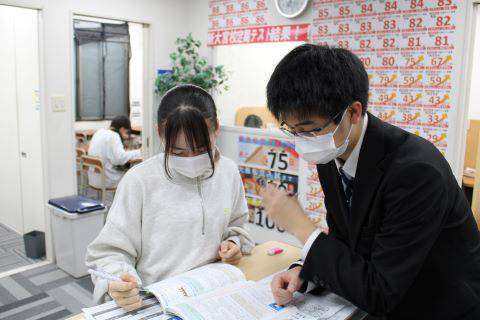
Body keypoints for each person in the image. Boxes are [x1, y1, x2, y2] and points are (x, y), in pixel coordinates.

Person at [261, 44, 480, 320]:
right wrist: (303, 272)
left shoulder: (416, 172)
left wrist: (302, 228)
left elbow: (381, 292)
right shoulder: (332, 151)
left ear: (353, 112)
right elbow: (346, 239)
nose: (302, 142)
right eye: (292, 131)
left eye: (309, 130)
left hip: (438, 306)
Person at [86, 84, 254, 310]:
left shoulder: (229, 172)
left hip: (213, 293)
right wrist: (118, 280)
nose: (191, 158)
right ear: (160, 134)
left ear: (216, 130)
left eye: (201, 148)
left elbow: (237, 224)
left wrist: (233, 243)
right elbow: (108, 253)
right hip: (158, 301)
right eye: (178, 151)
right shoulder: (139, 181)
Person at [87, 115, 141, 189]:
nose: (126, 136)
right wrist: (139, 151)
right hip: (106, 180)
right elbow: (120, 159)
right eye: (126, 132)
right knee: (133, 176)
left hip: (93, 178)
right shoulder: (114, 136)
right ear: (122, 129)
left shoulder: (100, 131)